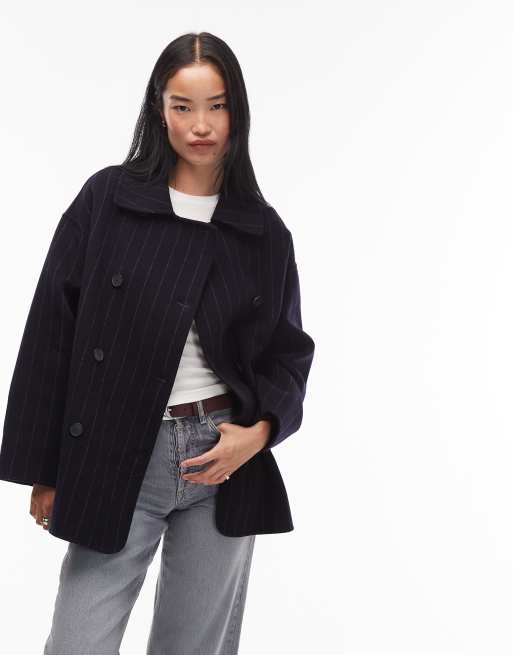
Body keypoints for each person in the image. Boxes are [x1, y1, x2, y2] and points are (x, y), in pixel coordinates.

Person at [0, 32, 315, 654]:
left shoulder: (263, 229)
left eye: (217, 106)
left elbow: (288, 352)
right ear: (158, 108)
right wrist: (45, 470)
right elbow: (51, 332)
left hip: (222, 456)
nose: (201, 125)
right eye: (182, 106)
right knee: (77, 642)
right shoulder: (108, 200)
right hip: (115, 448)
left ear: (237, 111)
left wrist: (258, 434)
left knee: (193, 646)